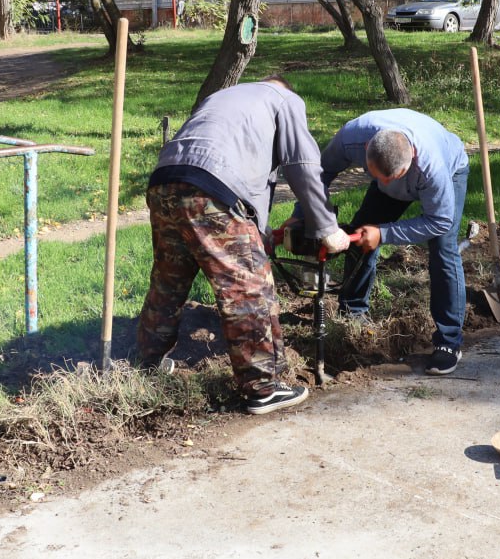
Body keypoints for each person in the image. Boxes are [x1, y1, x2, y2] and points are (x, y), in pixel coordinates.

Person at [135, 77, 349, 415]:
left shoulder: (226, 96)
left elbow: (250, 177)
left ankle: (146, 364)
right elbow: (304, 167)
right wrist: (327, 228)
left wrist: (258, 235)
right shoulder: (285, 100)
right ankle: (264, 388)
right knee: (248, 287)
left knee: (168, 280)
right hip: (212, 188)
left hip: (165, 181)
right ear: (286, 88)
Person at [300, 109, 469, 375]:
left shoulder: (432, 169)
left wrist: (384, 234)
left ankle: (449, 343)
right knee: (359, 233)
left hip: (451, 169)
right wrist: (302, 215)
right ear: (366, 149)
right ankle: (352, 312)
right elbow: (320, 173)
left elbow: (439, 221)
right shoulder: (351, 138)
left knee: (443, 249)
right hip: (397, 167)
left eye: (392, 177)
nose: (385, 183)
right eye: (377, 175)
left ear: (411, 157)